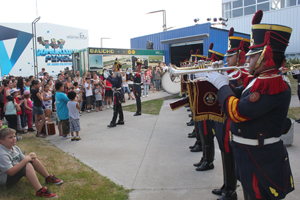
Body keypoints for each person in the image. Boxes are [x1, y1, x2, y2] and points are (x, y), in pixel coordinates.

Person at [207, 10, 294, 200]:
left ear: (265, 56)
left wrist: (222, 86)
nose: (247, 60)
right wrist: (221, 84)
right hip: (251, 155)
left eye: (253, 56)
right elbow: (241, 94)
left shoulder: (272, 83)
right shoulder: (261, 80)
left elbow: (238, 111)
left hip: (261, 159)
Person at [211, 28, 250, 200]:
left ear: (240, 55)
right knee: (224, 151)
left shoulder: (243, 74)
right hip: (223, 117)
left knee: (230, 152)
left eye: (231, 55)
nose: (227, 59)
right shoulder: (230, 71)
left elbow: (235, 93)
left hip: (233, 118)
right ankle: (228, 185)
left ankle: (231, 189)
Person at [0, 128, 63, 198]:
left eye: (14, 136)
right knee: (27, 165)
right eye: (10, 137)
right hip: (5, 179)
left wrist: (31, 156)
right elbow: (10, 172)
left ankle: (48, 178)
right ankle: (40, 191)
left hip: (14, 171)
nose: (14, 139)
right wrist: (26, 160)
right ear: (2, 141)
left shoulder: (14, 147)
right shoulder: (2, 154)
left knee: (32, 160)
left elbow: (24, 159)